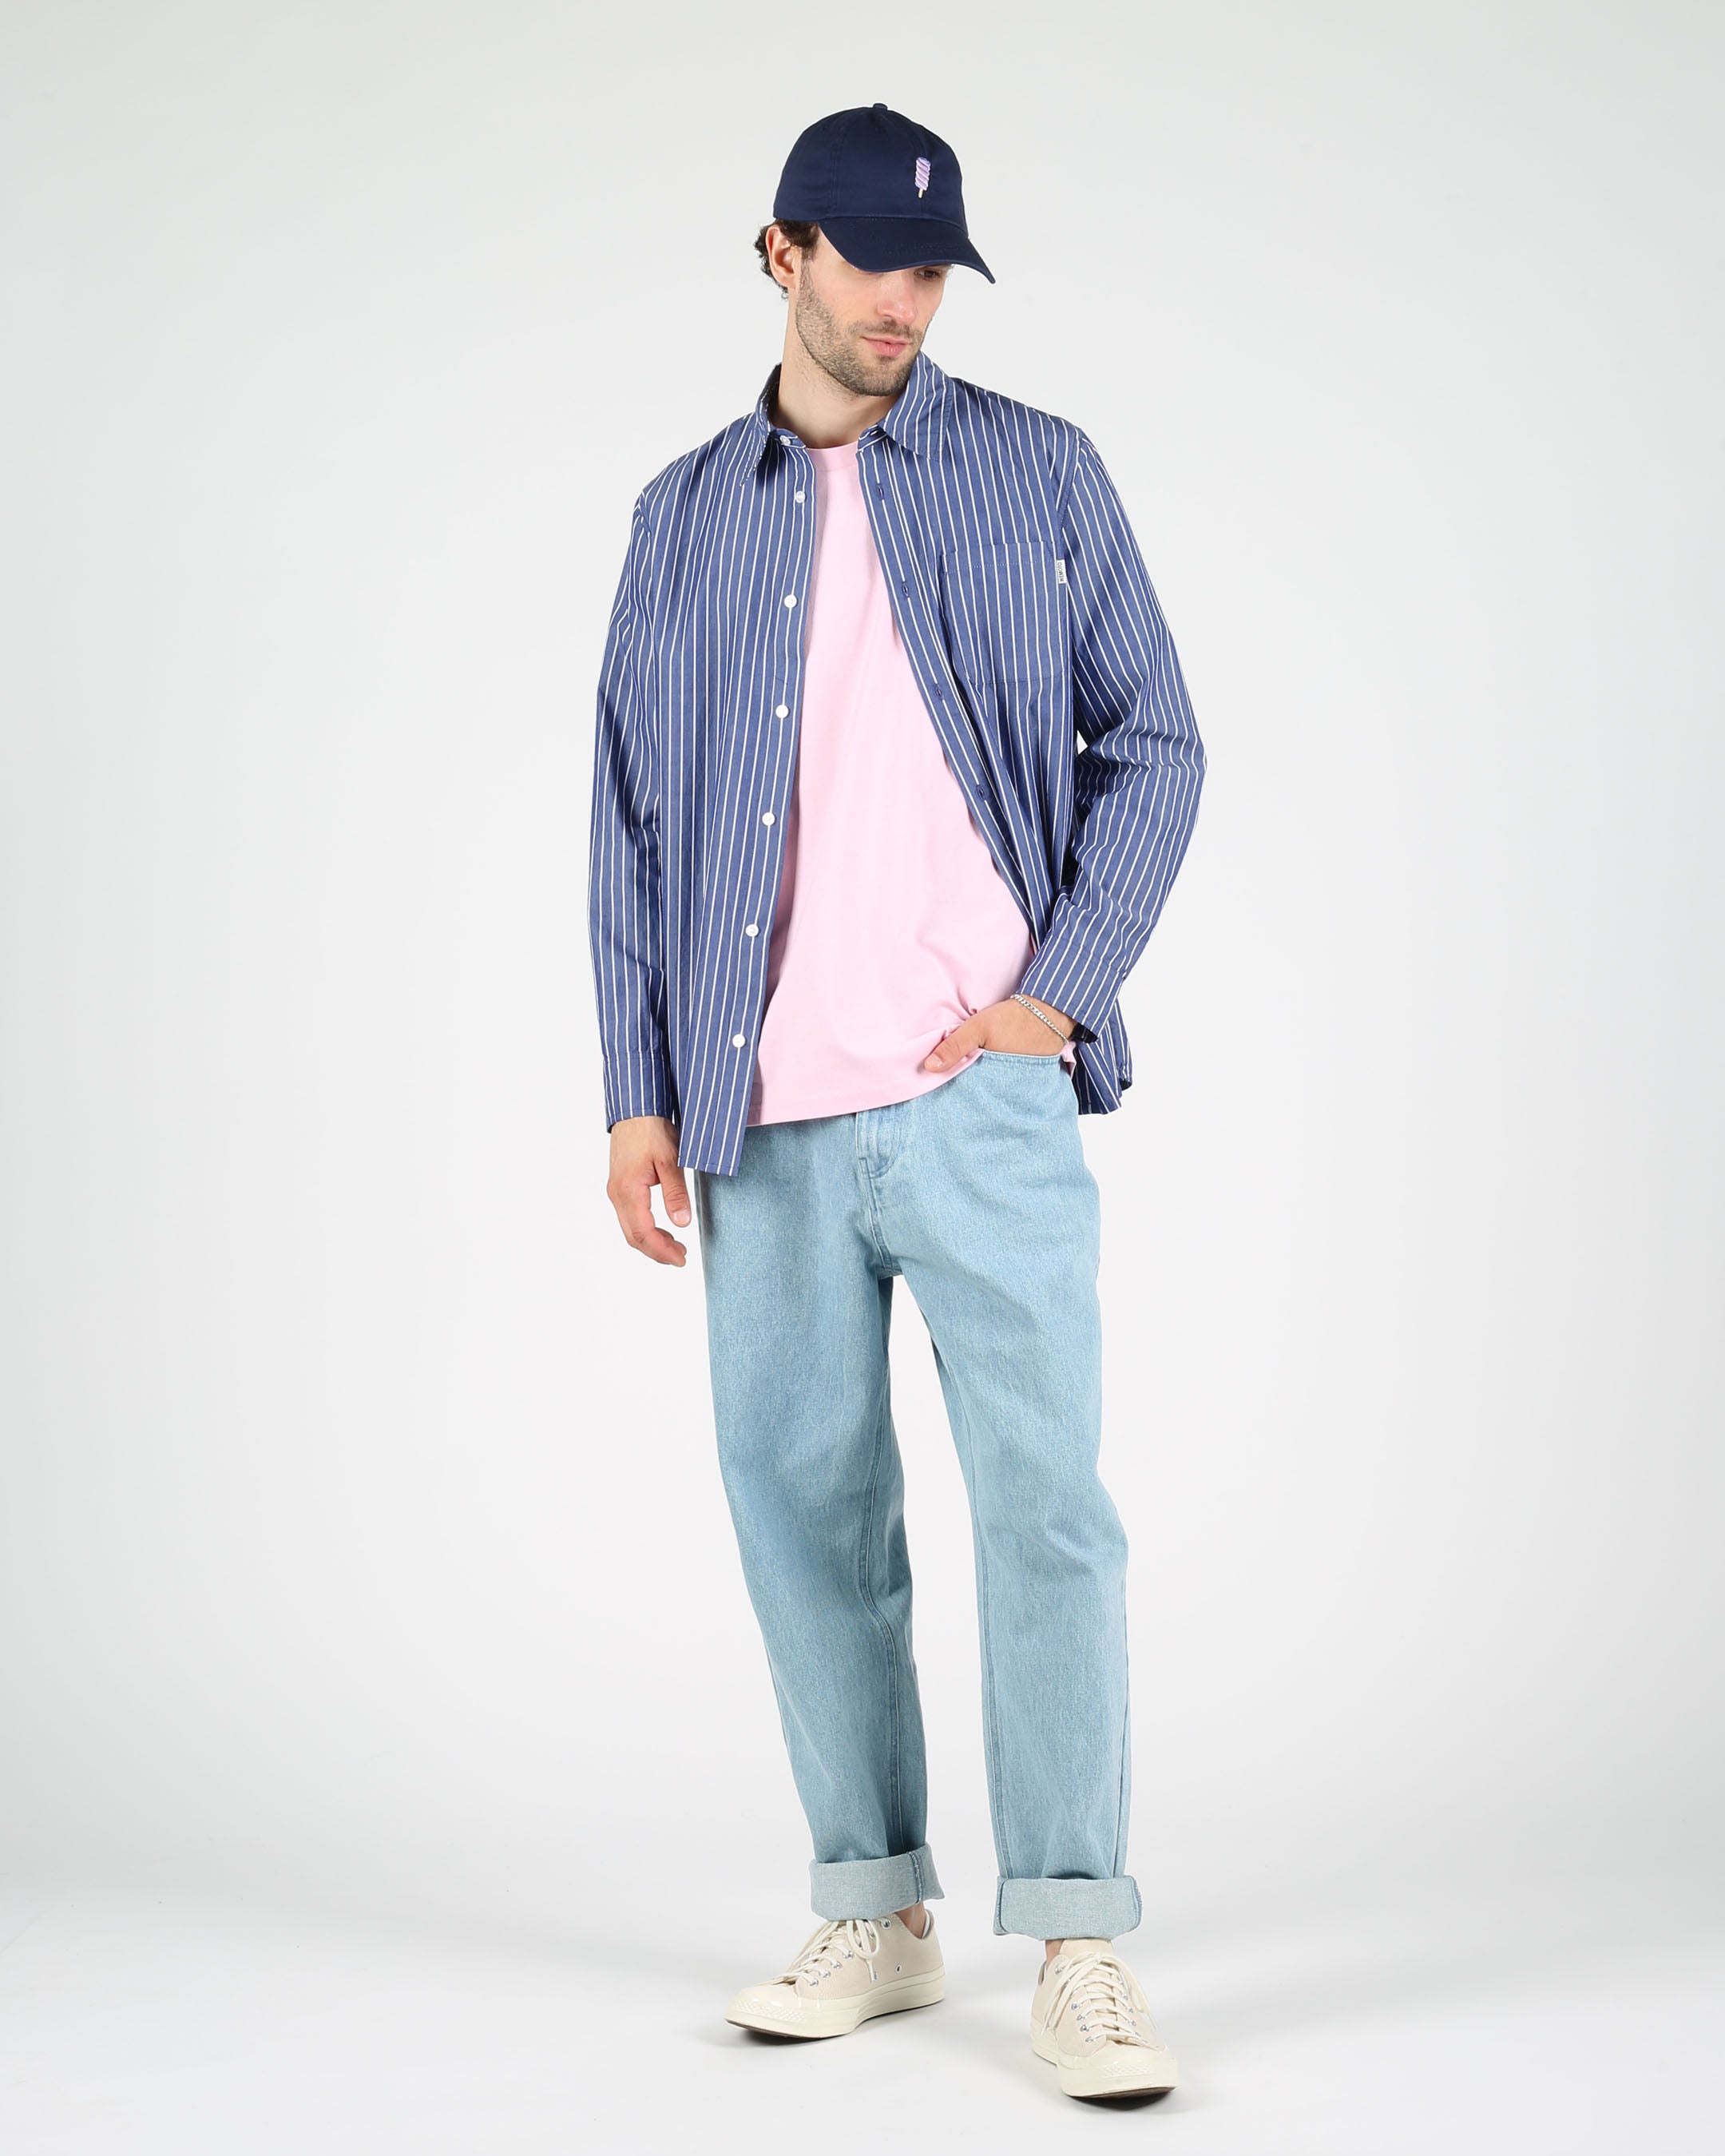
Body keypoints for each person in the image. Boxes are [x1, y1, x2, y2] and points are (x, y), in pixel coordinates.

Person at [587, 101, 1204, 2103]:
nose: (904, 301)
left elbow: (1158, 740)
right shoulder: (684, 517)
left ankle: (1082, 1938)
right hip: (758, 1113)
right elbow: (633, 819)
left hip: (975, 1099)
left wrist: (1054, 997)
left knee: (1048, 1510)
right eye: (868, 260)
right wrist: (636, 1093)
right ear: (782, 255)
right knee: (803, 1511)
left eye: (931, 266)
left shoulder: (1038, 470)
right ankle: (876, 1905)